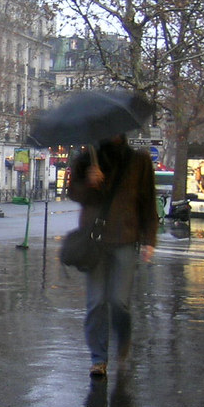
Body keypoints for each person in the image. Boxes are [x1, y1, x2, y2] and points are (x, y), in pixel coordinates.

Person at [67, 135, 158, 379]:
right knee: (96, 302)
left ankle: (123, 339)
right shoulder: (86, 158)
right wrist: (89, 182)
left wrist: (149, 239)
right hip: (94, 239)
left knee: (119, 301)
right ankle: (98, 359)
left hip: (125, 238)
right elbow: (73, 193)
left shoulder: (139, 161)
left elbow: (148, 201)